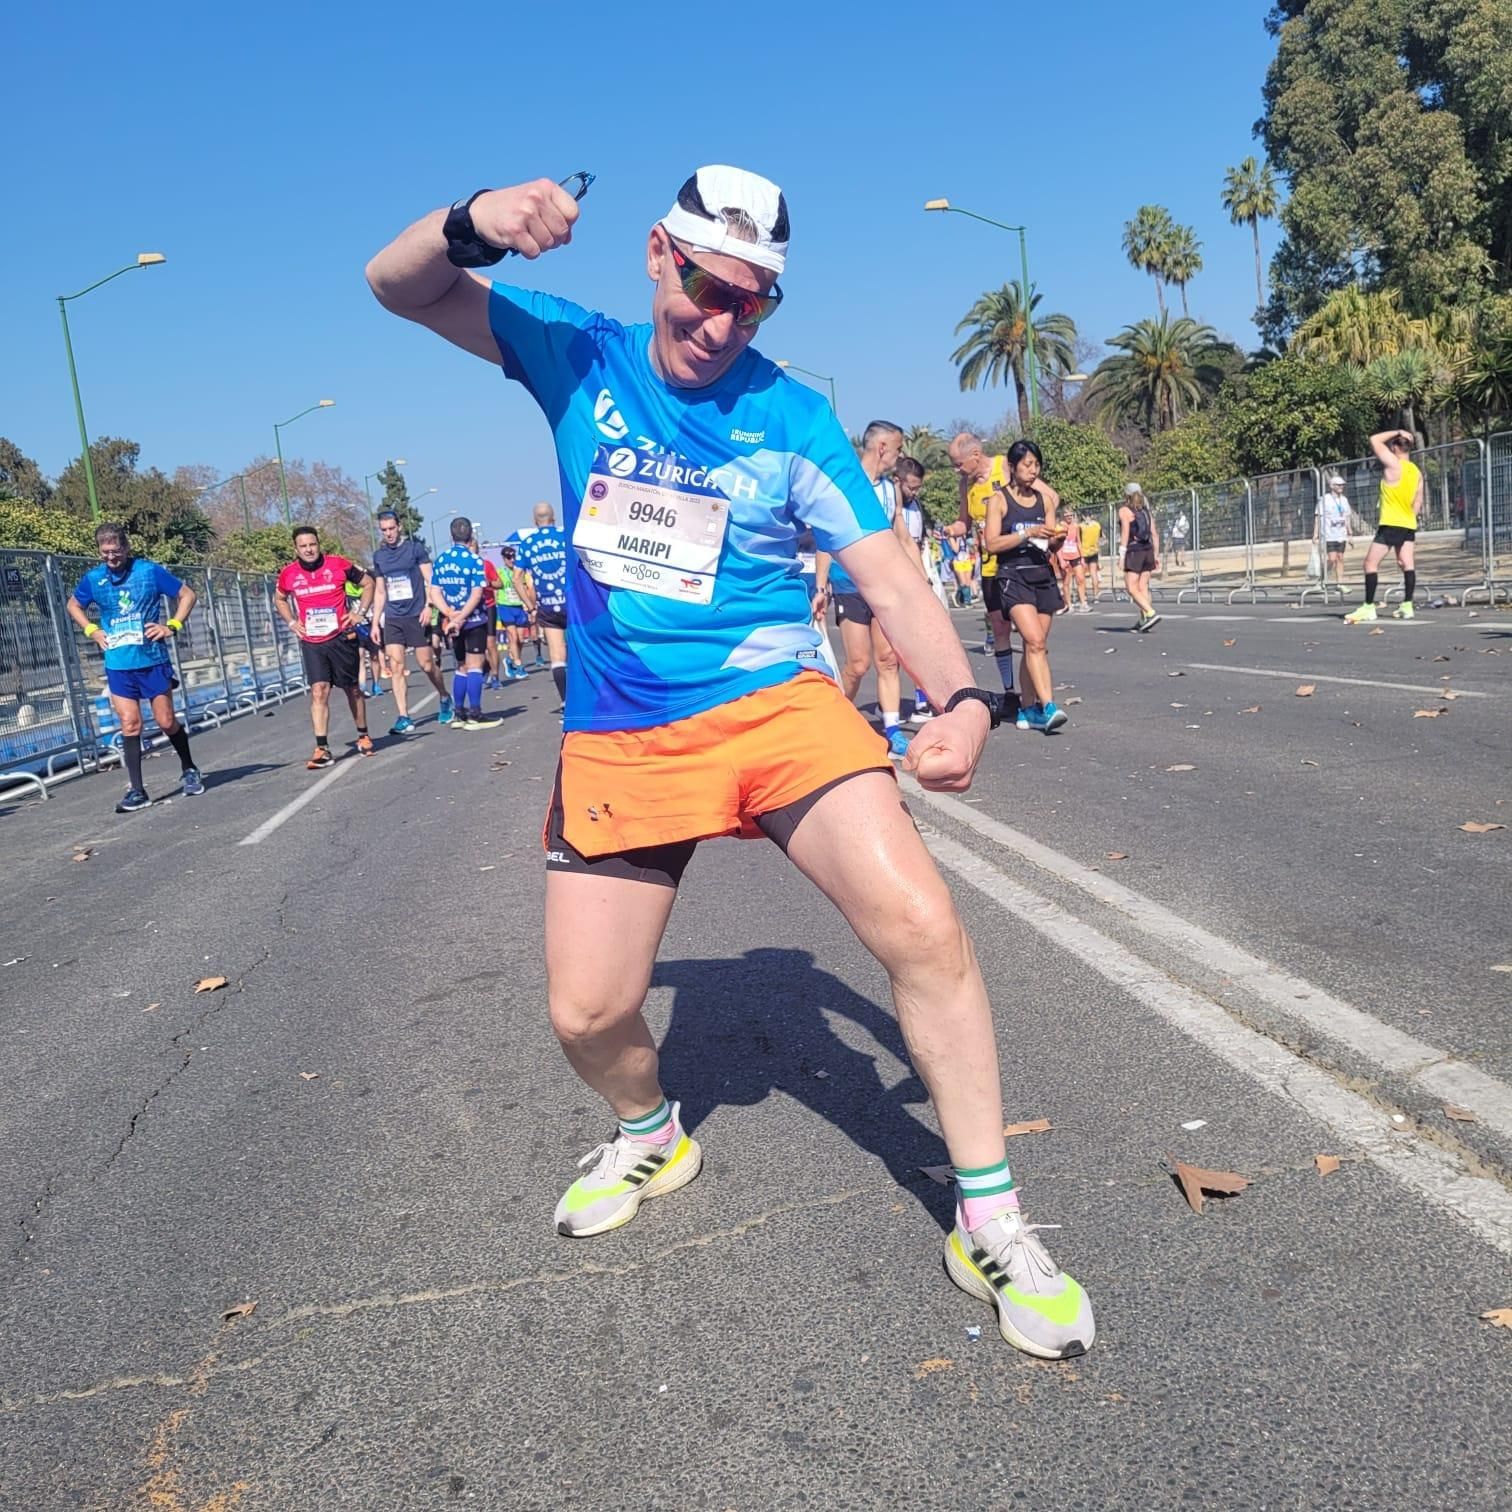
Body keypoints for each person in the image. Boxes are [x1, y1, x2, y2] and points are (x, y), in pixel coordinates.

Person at [367, 163, 1095, 1358]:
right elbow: (397, 287)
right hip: (619, 727)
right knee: (587, 1010)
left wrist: (964, 697)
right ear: (659, 254)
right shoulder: (572, 352)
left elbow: (887, 573)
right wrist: (469, 224)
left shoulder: (793, 415)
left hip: (772, 703)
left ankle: (992, 1217)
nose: (724, 320)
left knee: (921, 922)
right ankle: (652, 1131)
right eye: (709, 286)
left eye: (754, 302)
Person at [66, 521, 203, 812]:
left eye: (115, 552)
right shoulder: (94, 579)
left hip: (152, 659)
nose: (111, 558)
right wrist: (92, 630)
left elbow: (187, 595)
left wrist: (172, 625)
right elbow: (73, 605)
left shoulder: (148, 571)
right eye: (105, 553)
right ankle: (137, 790)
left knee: (166, 721)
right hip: (118, 663)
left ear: (126, 548)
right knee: (130, 723)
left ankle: (189, 768)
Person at [814, 420, 918, 754]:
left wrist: (921, 580)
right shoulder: (845, 484)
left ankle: (892, 732)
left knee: (888, 658)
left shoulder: (891, 491)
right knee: (858, 664)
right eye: (898, 448)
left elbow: (902, 537)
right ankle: (835, 718)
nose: (900, 456)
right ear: (882, 447)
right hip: (848, 585)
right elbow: (824, 540)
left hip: (883, 586)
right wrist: (820, 586)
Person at [983, 440, 1069, 732]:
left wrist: (1057, 538)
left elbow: (1050, 544)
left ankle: (1028, 708)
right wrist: (1027, 533)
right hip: (1012, 576)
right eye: (1027, 465)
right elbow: (992, 543)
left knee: (1036, 646)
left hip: (1042, 574)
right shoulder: (1000, 500)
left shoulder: (1044, 501)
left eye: (1037, 465)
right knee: (1034, 641)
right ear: (1012, 466)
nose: (1033, 471)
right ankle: (1048, 706)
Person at [275, 525, 376, 767]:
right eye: (303, 546)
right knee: (319, 690)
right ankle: (322, 748)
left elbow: (369, 584)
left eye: (312, 544)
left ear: (318, 544)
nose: (309, 550)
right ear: (296, 549)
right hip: (312, 642)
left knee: (352, 689)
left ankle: (363, 735)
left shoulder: (338, 564)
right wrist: (291, 622)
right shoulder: (288, 573)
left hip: (340, 638)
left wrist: (359, 613)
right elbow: (279, 598)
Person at [948, 432, 1018, 717]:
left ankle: (1038, 690)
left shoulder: (1005, 467)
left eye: (959, 463)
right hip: (990, 566)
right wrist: (951, 530)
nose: (957, 470)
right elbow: (964, 522)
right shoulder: (966, 484)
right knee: (1000, 628)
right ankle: (1011, 692)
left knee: (1029, 631)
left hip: (1017, 559)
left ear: (976, 455)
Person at [370, 508, 452, 733]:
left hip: (416, 614)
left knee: (426, 664)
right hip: (394, 617)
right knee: (396, 666)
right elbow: (379, 592)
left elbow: (431, 580)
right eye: (384, 530)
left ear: (399, 527)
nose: (389, 533)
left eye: (392, 528)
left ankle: (444, 696)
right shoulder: (379, 556)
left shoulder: (414, 550)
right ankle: (403, 716)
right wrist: (376, 622)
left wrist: (429, 606)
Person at [429, 516, 502, 729]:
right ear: (470, 536)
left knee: (460, 666)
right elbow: (477, 594)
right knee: (475, 665)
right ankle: (475, 713)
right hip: (474, 620)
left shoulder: (441, 560)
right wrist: (461, 617)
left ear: (452, 536)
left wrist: (449, 613)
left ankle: (459, 712)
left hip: (451, 622)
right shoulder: (474, 561)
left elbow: (434, 592)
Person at [1346, 431, 1422, 624]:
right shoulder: (1416, 471)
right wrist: (1409, 519)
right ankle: (1407, 605)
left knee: (1369, 564)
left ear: (1395, 447)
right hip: (1408, 523)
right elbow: (1417, 503)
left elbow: (1373, 439)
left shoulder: (1394, 464)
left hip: (1391, 523)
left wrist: (1397, 431)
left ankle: (1368, 607)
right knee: (1407, 563)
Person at [513, 503, 570, 710]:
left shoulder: (528, 544)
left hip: (546, 605)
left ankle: (565, 701)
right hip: (571, 602)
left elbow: (516, 579)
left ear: (534, 521)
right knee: (580, 650)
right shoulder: (565, 535)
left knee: (557, 655)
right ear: (553, 517)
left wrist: (530, 606)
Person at [1117, 484, 1162, 632]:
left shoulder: (1125, 511)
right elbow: (1154, 534)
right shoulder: (1146, 512)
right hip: (1148, 549)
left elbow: (1125, 533)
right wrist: (1156, 555)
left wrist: (1121, 556)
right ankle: (1143, 620)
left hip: (1134, 551)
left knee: (1131, 587)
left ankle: (1150, 613)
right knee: (1143, 587)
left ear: (1126, 495)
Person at [495, 542, 532, 679]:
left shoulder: (521, 571)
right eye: (508, 557)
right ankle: (519, 666)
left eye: (513, 557)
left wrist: (529, 604)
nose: (512, 560)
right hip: (505, 606)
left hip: (519, 606)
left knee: (521, 639)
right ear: (504, 559)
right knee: (513, 636)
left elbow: (527, 588)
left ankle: (510, 660)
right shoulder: (500, 572)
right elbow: (495, 587)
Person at [1314, 474, 1351, 592]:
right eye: (1338, 485)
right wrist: (1315, 534)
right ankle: (1322, 579)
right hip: (1329, 534)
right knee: (1332, 559)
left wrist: (1349, 532)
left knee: (1340, 558)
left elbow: (1347, 516)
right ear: (1332, 486)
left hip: (1341, 534)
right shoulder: (1325, 499)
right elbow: (1318, 517)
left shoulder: (1344, 500)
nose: (1341, 487)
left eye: (1342, 485)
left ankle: (1340, 583)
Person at [1056, 508, 1090, 613]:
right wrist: (1061, 559)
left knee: (1081, 579)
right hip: (1065, 556)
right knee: (1066, 582)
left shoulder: (1076, 526)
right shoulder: (1059, 527)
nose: (1069, 517)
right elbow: (1057, 545)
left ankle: (1083, 603)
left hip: (1075, 555)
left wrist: (1082, 557)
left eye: (1071, 515)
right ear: (1063, 516)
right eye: (1067, 515)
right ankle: (1069, 605)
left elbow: (1078, 542)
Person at [1079, 512, 1104, 600]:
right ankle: (1095, 595)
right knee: (1094, 573)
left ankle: (1084, 594)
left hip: (1084, 552)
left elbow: (1079, 539)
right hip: (1094, 551)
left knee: (1083, 575)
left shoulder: (1081, 526)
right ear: (1091, 516)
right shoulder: (1097, 525)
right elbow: (1101, 537)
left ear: (1083, 516)